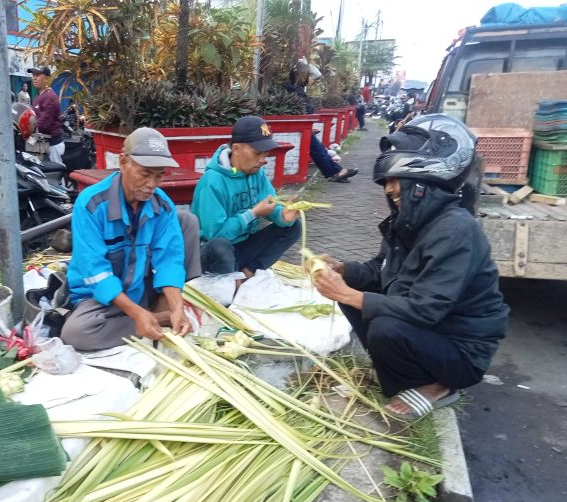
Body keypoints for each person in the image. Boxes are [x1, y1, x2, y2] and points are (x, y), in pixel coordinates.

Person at [311, 114, 509, 421]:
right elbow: (381, 270)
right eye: (387, 182)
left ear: (422, 184)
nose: (389, 190)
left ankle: (438, 385)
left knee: (384, 325)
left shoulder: (455, 230)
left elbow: (428, 309)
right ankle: (399, 366)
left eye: (395, 181)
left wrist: (351, 296)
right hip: (433, 333)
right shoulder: (409, 223)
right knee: (355, 294)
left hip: (461, 349)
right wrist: (343, 270)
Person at [60, 127, 202, 351]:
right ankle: (150, 320)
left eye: (160, 175)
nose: (152, 184)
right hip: (100, 297)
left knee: (187, 221)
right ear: (124, 162)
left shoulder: (161, 204)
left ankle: (157, 315)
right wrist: (137, 315)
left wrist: (177, 307)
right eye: (145, 174)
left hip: (140, 287)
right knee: (76, 333)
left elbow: (169, 259)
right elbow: (96, 272)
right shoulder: (91, 204)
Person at [191, 115, 301, 278]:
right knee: (220, 247)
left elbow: (271, 205)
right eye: (257, 153)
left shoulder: (257, 173)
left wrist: (283, 215)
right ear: (236, 149)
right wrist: (252, 214)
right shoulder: (212, 181)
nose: (263, 160)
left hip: (243, 248)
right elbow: (215, 235)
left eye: (266, 153)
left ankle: (248, 272)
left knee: (294, 226)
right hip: (212, 255)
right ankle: (229, 281)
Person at [28, 66, 64, 164]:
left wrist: (27, 129)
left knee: (56, 174)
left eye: (38, 75)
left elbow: (44, 122)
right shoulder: (39, 96)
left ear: (47, 79)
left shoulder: (49, 97)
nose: (34, 78)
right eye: (33, 75)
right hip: (44, 143)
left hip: (53, 144)